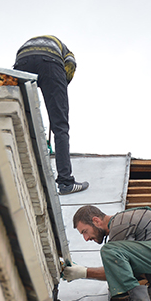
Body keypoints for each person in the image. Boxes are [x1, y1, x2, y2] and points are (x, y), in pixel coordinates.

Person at [13, 35, 88, 195]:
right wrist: (58, 90)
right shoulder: (68, 55)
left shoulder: (45, 41)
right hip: (50, 63)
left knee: (20, 115)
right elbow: (69, 69)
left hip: (22, 60)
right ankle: (66, 182)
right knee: (60, 127)